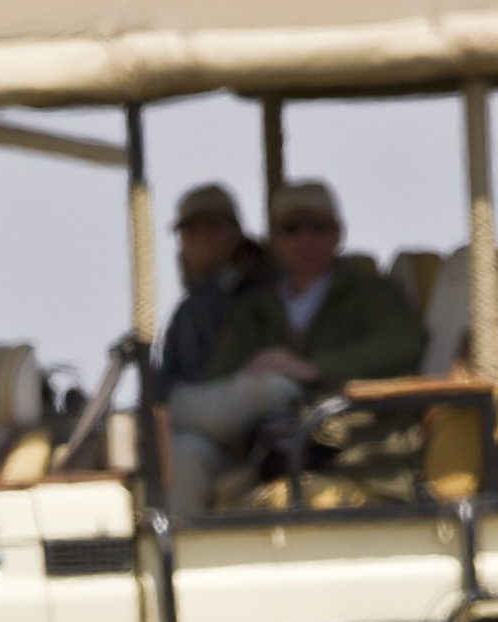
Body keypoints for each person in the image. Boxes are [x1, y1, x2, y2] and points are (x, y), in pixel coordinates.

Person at [164, 179, 424, 514]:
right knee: (185, 452)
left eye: (317, 228)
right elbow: (224, 374)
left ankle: (171, 412)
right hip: (263, 446)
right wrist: (253, 372)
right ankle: (180, 561)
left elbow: (403, 344)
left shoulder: (372, 294)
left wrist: (314, 369)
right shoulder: (255, 308)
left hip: (349, 443)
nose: (306, 240)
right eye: (291, 229)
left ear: (338, 234)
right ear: (273, 238)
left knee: (275, 389)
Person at [156, 183, 271, 398]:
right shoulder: (186, 311)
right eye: (192, 230)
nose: (203, 239)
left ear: (236, 232)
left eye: (214, 227)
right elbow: (168, 379)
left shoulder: (263, 291)